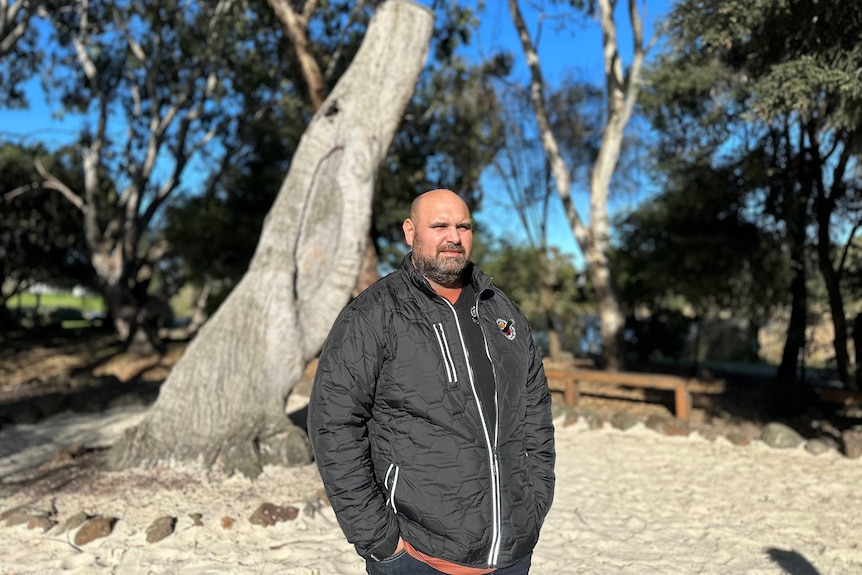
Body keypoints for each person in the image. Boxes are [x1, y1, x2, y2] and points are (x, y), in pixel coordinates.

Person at [307, 189, 555, 575]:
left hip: (512, 552)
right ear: (410, 232)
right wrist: (379, 539)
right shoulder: (373, 314)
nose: (453, 236)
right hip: (416, 555)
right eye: (439, 225)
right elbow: (333, 423)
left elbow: (536, 411)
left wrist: (535, 502)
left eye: (463, 226)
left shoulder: (502, 312)